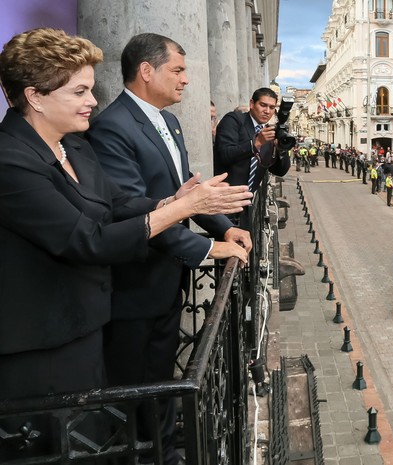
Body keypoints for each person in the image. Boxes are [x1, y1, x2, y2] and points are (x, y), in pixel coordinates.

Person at [0, 27, 251, 461]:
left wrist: (178, 200)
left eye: (91, 89)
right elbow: (88, 240)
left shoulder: (74, 148)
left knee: (100, 439)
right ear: (36, 96)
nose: (93, 101)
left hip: (89, 329)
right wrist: (184, 208)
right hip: (40, 350)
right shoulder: (10, 161)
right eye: (79, 91)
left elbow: (120, 203)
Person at [86, 32, 251, 465]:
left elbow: (185, 191)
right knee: (133, 393)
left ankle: (165, 453)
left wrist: (223, 227)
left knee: (159, 382)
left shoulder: (169, 121)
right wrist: (208, 249)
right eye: (177, 70)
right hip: (135, 288)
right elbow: (138, 214)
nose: (185, 81)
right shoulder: (112, 128)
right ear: (146, 71)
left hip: (165, 285)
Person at [214, 87, 291, 196]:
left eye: (272, 107)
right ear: (252, 104)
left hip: (248, 202)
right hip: (224, 197)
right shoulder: (234, 120)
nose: (267, 111)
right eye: (263, 105)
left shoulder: (269, 133)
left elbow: (279, 171)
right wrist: (257, 143)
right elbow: (225, 155)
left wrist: (281, 149)